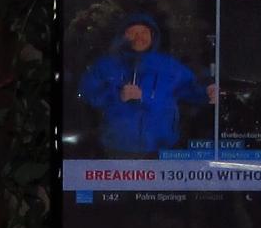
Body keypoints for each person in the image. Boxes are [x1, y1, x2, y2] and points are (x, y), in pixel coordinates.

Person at [78, 11, 212, 156]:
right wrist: (117, 95)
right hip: (117, 146)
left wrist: (207, 93)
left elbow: (189, 89)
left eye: (144, 32)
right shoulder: (105, 65)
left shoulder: (169, 65)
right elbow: (88, 93)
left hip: (162, 146)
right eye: (132, 32)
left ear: (152, 36)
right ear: (123, 35)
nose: (138, 37)